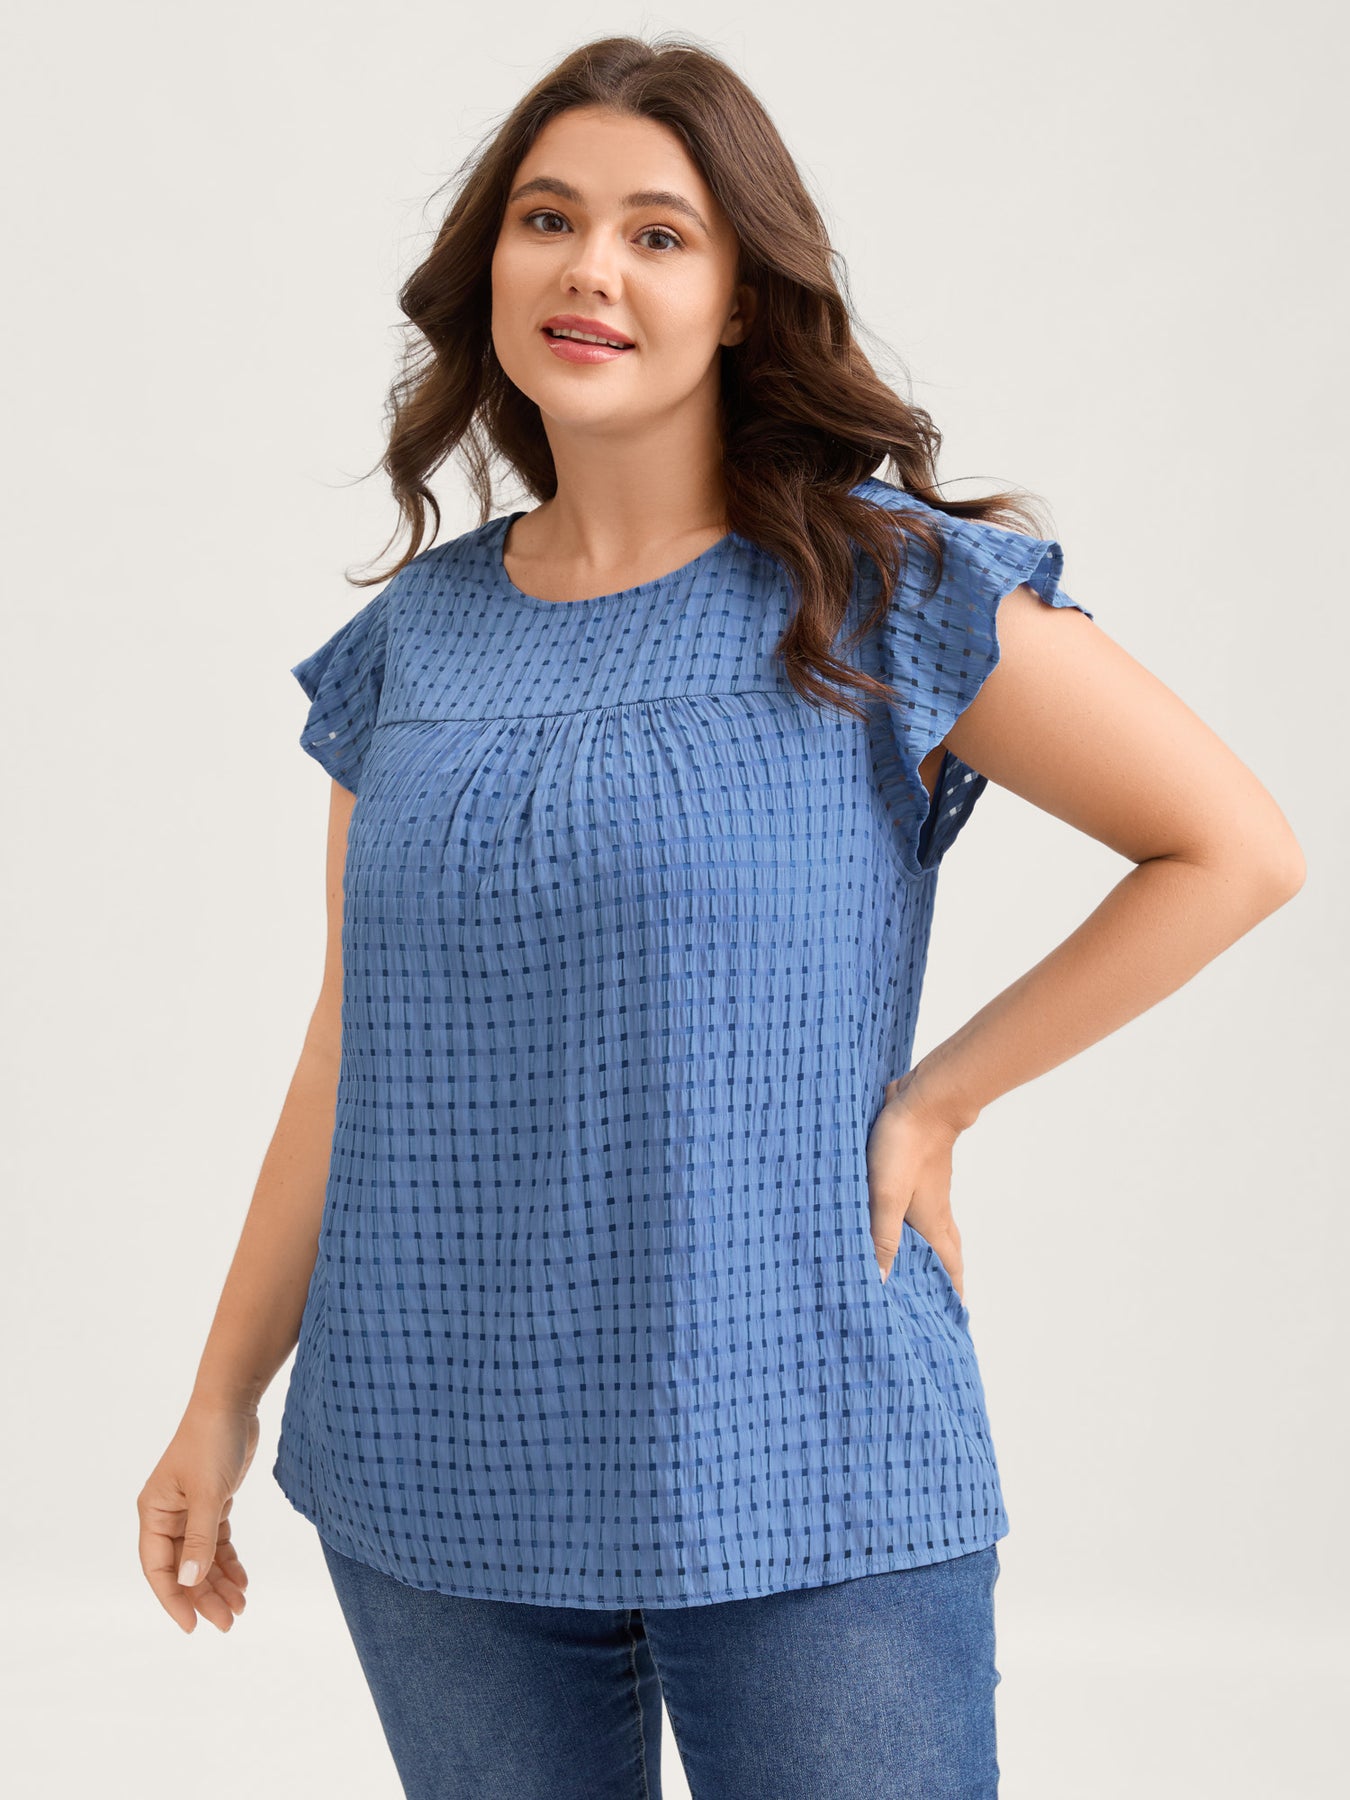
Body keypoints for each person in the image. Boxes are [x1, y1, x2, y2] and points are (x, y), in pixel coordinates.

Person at [136, 33, 1306, 1800]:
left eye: (658, 234)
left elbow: (1229, 847)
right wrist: (223, 1392)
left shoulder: (875, 589)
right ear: (490, 266)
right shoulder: (412, 647)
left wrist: (938, 1099)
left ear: (744, 298)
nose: (589, 270)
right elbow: (345, 1045)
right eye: (547, 220)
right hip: (433, 1462)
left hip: (801, 1446)